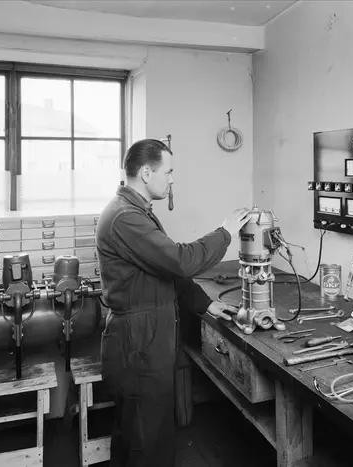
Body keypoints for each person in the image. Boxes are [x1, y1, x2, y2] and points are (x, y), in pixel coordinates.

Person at [95, 138, 250, 467]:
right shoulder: (126, 217)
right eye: (168, 172)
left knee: (140, 433)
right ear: (146, 173)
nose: (172, 179)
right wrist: (225, 233)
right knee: (147, 441)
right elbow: (180, 261)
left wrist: (205, 304)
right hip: (139, 341)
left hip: (144, 337)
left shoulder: (136, 212)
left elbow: (165, 270)